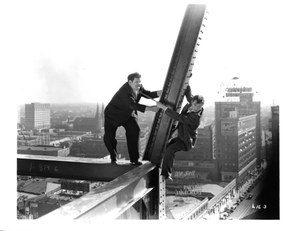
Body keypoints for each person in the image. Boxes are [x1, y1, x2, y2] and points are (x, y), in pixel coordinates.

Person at [104, 72, 161, 165]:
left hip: (128, 114)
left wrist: (161, 92)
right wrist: (151, 108)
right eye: (136, 82)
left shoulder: (139, 87)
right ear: (130, 82)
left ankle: (134, 159)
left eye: (139, 82)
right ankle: (113, 158)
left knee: (135, 131)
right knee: (109, 137)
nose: (139, 84)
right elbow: (132, 105)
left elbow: (148, 94)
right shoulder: (124, 91)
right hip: (113, 115)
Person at [156, 86, 204, 180]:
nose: (195, 108)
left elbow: (178, 117)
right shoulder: (193, 102)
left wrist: (163, 108)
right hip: (181, 134)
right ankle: (161, 167)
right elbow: (189, 95)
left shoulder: (195, 118)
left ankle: (166, 174)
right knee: (166, 147)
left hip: (186, 140)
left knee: (170, 150)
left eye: (198, 107)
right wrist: (188, 80)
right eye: (194, 105)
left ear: (202, 106)